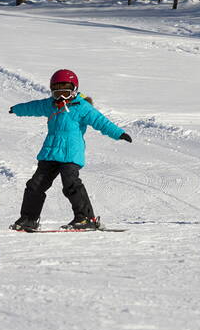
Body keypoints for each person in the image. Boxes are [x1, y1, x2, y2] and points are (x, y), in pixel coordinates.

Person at [9, 69, 132, 230]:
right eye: (57, 93)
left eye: (65, 93)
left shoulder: (82, 107)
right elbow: (34, 107)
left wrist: (119, 133)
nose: (61, 97)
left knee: (71, 184)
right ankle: (29, 219)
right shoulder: (51, 105)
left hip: (70, 153)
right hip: (50, 152)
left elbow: (101, 122)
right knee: (35, 185)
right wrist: (18, 109)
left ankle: (86, 218)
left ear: (74, 90)